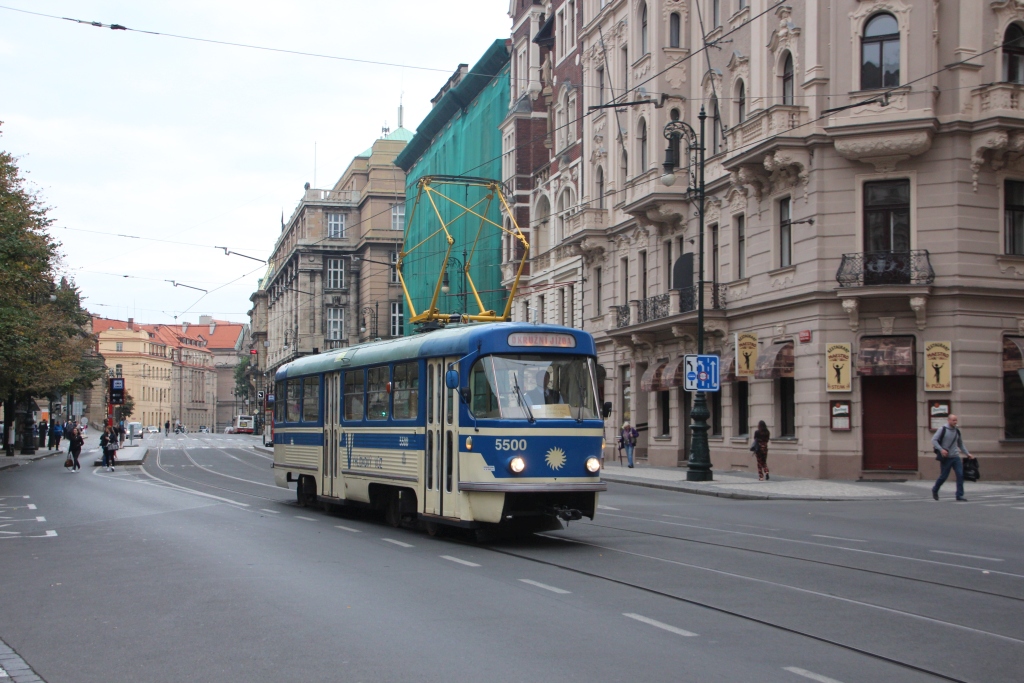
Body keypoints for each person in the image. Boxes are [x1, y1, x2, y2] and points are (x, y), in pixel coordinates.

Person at [931, 414, 974, 501]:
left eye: (956, 420)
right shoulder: (942, 429)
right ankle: (935, 489)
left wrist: (967, 453)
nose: (955, 422)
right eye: (953, 420)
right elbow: (934, 440)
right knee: (943, 476)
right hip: (946, 458)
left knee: (960, 475)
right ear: (949, 420)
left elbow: (960, 444)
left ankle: (959, 495)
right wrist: (941, 450)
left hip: (955, 457)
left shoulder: (957, 431)